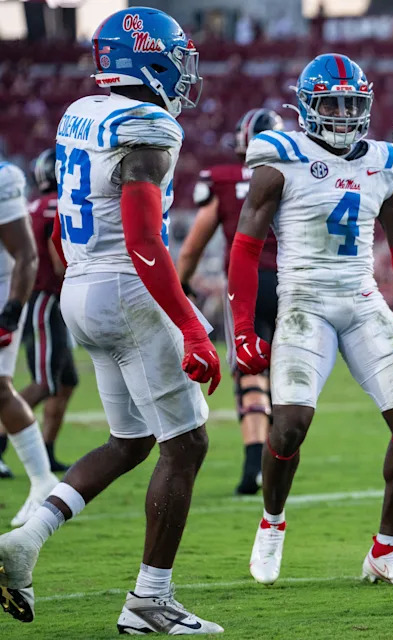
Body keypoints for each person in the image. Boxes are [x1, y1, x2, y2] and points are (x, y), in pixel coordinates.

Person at [0, 9, 223, 633]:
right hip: (126, 284)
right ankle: (150, 600)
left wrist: (84, 282)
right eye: (175, 58)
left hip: (82, 285)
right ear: (148, 59)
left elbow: (55, 232)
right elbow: (146, 242)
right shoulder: (146, 124)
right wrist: (194, 325)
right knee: (188, 443)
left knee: (131, 441)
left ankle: (24, 541)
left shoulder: (81, 114)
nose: (182, 73)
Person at [228, 53, 393, 590]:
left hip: (363, 301)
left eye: (351, 105)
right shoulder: (281, 154)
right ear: (306, 108)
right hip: (302, 302)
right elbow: (245, 246)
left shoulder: (384, 160)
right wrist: (243, 329)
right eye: (331, 105)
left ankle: (386, 549)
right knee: (290, 425)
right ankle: (272, 523)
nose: (342, 115)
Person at [177, 108, 283, 494]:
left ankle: (253, 465)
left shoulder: (221, 180)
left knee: (250, 373)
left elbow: (192, 247)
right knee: (287, 375)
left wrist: (181, 284)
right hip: (292, 282)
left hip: (247, 285)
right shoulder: (295, 172)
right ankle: (279, 460)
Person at [0, 159, 56, 520]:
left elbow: (26, 253)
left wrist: (11, 310)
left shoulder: (3, 179)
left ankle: (42, 478)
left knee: (2, 389)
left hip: (3, 290)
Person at [18, 149, 79, 473]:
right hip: (46, 298)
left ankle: (46, 449)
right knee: (44, 382)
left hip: (45, 299)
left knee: (66, 380)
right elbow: (59, 261)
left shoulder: (32, 205)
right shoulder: (55, 206)